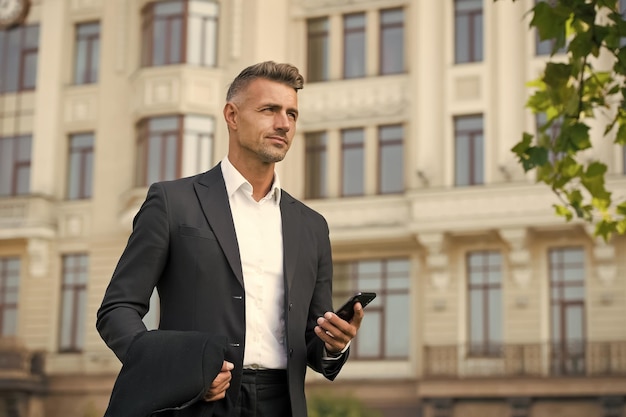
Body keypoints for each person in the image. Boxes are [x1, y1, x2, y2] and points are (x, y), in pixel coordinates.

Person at [96, 61, 365, 417]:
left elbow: (312, 346)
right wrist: (177, 371)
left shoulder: (312, 226)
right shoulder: (173, 202)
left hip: (282, 405)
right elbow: (117, 310)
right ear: (232, 116)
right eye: (269, 110)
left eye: (292, 114)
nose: (283, 123)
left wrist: (334, 344)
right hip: (196, 404)